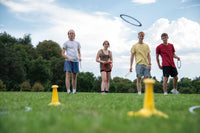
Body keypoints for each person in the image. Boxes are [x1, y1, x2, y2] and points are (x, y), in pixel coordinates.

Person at [62, 29, 81, 94]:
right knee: (68, 75)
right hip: (68, 61)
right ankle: (68, 90)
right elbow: (62, 53)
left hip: (76, 61)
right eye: (70, 33)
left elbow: (79, 52)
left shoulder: (77, 43)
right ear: (68, 35)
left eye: (72, 33)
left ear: (74, 35)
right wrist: (68, 58)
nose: (71, 34)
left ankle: (74, 90)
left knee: (74, 76)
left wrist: (80, 57)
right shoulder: (65, 43)